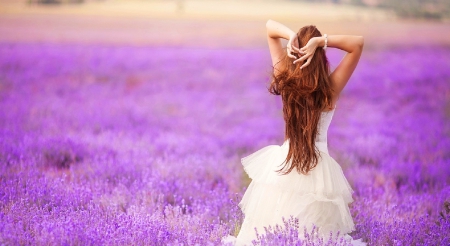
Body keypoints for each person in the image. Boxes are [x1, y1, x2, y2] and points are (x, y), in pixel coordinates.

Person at [223, 20, 365, 245]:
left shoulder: (286, 78)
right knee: (315, 237)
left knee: (268, 233)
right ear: (321, 56)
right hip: (319, 173)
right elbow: (357, 44)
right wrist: (322, 41)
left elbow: (270, 28)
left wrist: (292, 37)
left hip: (284, 166)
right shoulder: (330, 90)